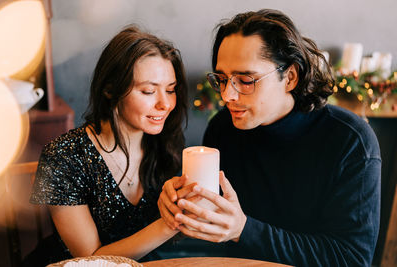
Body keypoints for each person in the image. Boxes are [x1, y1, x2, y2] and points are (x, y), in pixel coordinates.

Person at [158, 9, 381, 267]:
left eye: (246, 80)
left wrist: (244, 230)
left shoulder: (350, 141)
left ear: (290, 77)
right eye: (222, 79)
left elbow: (351, 259)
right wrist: (180, 204)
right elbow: (213, 219)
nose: (228, 95)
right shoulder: (223, 128)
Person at [26, 25, 189, 266]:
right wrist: (169, 223)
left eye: (171, 90)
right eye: (148, 91)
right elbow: (90, 259)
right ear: (110, 89)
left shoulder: (162, 142)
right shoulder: (64, 156)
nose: (165, 104)